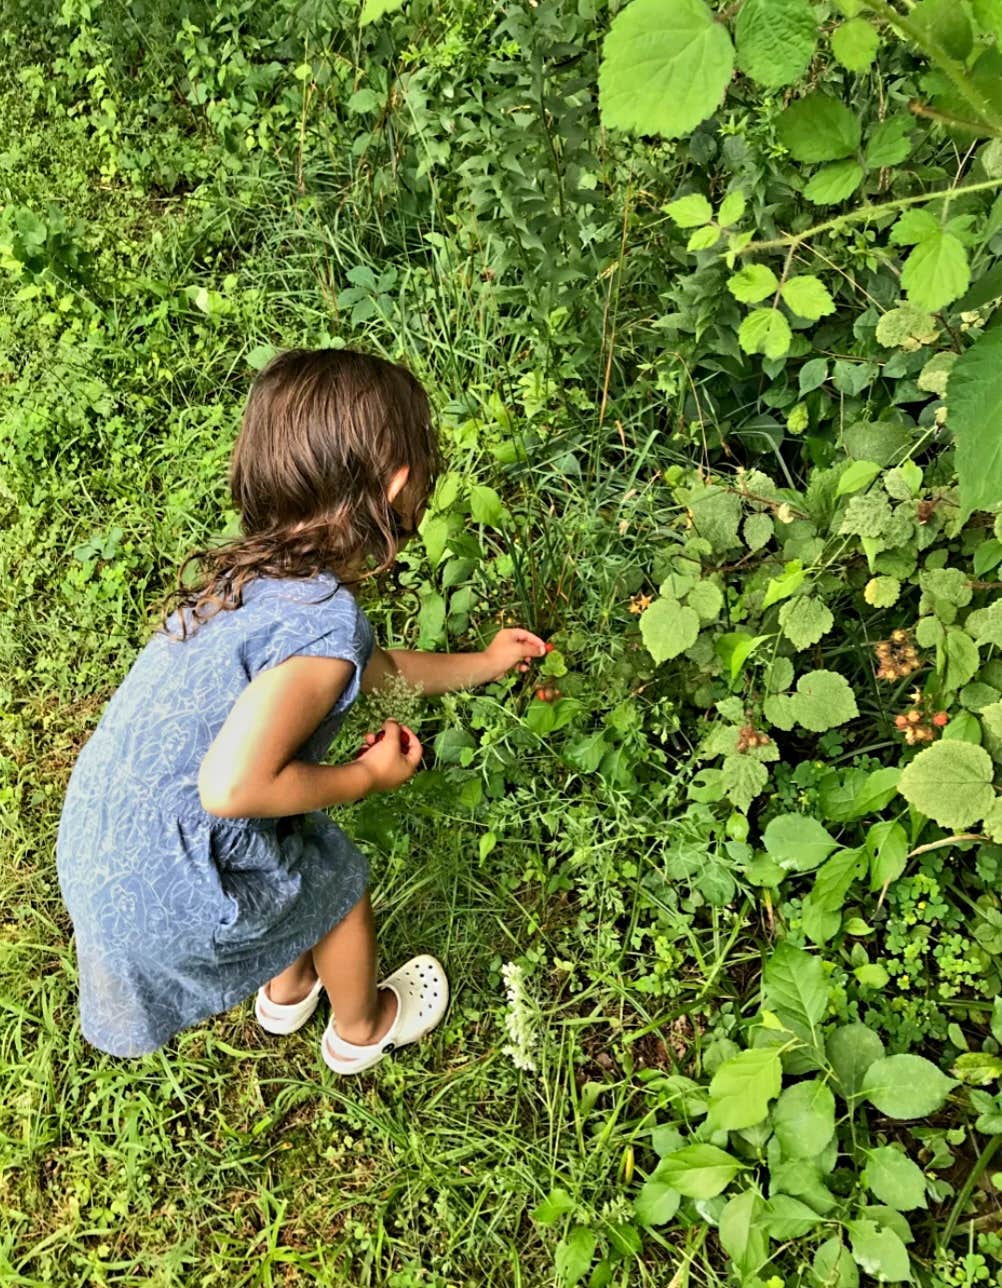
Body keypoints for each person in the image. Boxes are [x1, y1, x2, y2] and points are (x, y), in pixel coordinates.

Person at [55, 348, 546, 1074]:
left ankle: (286, 990)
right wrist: (364, 779)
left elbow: (378, 675)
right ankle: (363, 1027)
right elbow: (231, 789)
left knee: (288, 862)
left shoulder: (248, 577)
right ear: (400, 488)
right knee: (336, 886)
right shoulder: (324, 630)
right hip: (174, 885)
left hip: (106, 839)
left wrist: (486, 662)